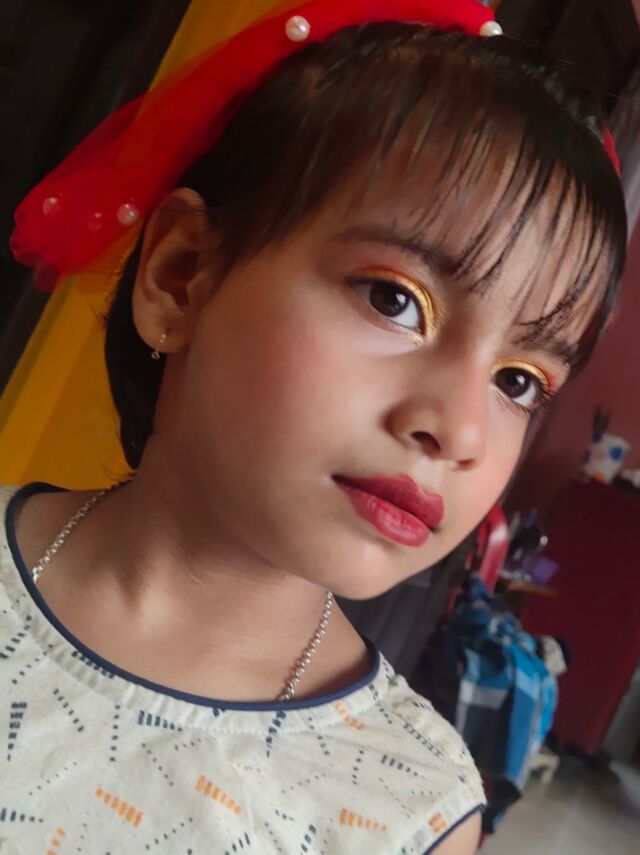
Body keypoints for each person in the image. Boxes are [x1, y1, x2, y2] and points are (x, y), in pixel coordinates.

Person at [0, 1, 626, 852]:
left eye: (518, 381)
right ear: (182, 277)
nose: (460, 429)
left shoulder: (409, 809)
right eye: (393, 299)